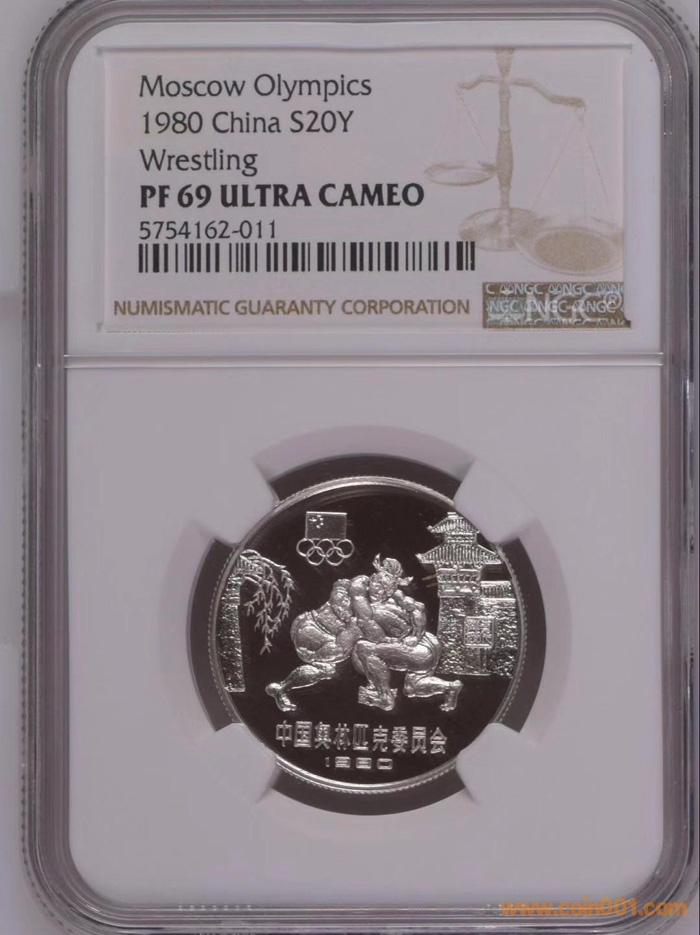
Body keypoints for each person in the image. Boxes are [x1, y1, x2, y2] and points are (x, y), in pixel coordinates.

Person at [349, 556, 463, 712]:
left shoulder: (378, 603)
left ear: (388, 590)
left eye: (382, 586)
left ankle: (384, 697)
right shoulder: (393, 597)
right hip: (426, 646)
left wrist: (415, 636)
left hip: (417, 648)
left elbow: (418, 608)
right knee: (412, 688)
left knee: (364, 648)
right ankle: (450, 687)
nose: (376, 588)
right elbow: (417, 608)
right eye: (375, 582)